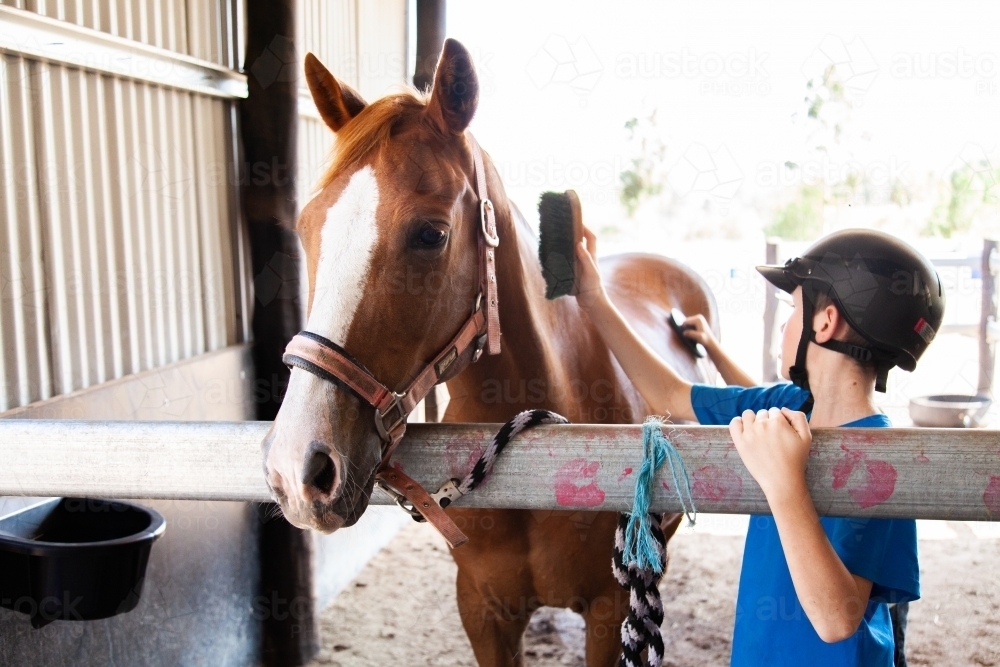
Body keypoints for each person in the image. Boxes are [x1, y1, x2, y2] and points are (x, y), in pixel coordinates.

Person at [574, 227, 944, 666]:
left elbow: (836, 621)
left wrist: (784, 484)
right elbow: (669, 394)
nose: (786, 325)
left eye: (793, 309)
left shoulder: (884, 455)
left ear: (826, 323)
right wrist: (593, 296)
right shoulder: (788, 404)